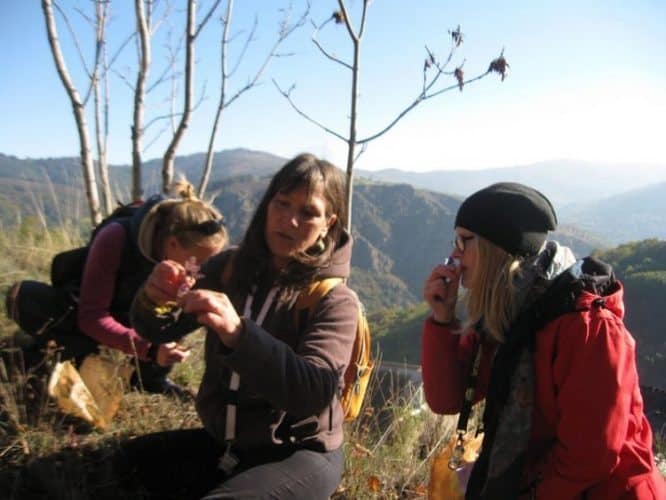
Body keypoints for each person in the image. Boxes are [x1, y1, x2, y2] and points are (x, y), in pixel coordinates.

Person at [118, 153, 358, 499]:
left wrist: (239, 334)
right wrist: (154, 298)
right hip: (229, 442)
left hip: (298, 453)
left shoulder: (334, 300)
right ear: (267, 204)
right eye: (282, 203)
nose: (289, 220)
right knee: (127, 463)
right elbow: (161, 330)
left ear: (329, 223)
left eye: (308, 213)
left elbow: (313, 392)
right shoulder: (228, 268)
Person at [421, 182, 666, 499]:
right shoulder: (504, 316)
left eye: (464, 240)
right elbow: (449, 400)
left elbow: (590, 456)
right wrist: (442, 320)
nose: (454, 253)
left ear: (497, 248)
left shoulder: (589, 326)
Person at [5, 180, 227, 397]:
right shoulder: (115, 238)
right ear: (172, 244)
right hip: (90, 315)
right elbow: (92, 316)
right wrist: (149, 348)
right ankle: (48, 357)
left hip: (132, 327)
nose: (200, 271)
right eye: (198, 262)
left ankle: (151, 380)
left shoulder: (186, 262)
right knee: (24, 297)